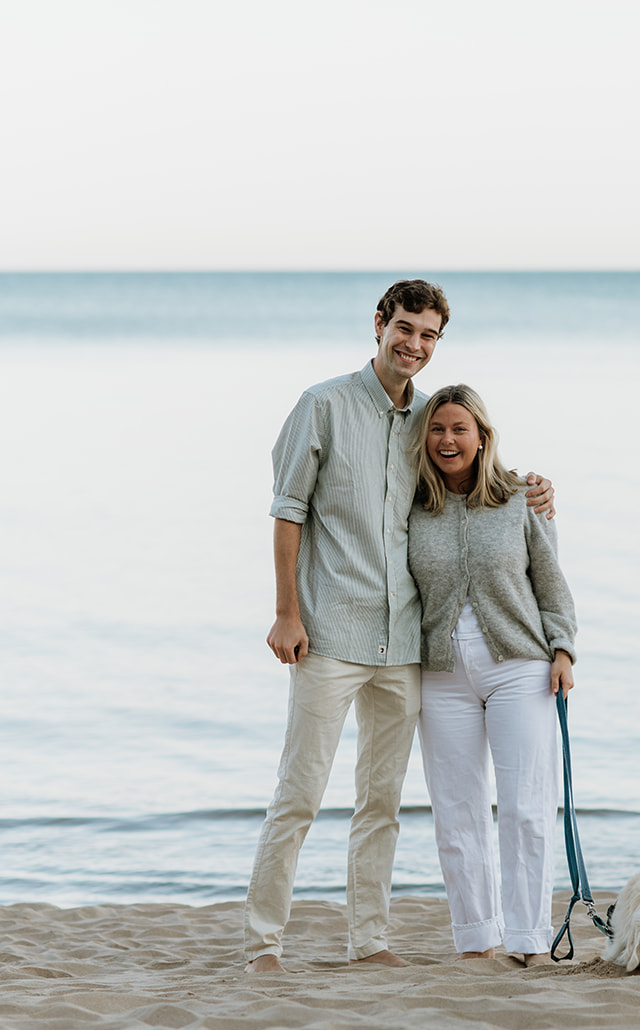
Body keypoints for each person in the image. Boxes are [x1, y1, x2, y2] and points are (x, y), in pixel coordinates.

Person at [243, 280, 554, 973]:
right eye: (404, 328)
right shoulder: (321, 406)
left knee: (380, 802)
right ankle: (263, 943)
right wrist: (285, 612)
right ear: (379, 324)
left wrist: (535, 491)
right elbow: (288, 511)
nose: (414, 344)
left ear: (438, 342)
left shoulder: (428, 422)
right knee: (299, 795)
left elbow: (474, 474)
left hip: (407, 643)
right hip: (328, 633)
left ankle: (369, 940)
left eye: (428, 334)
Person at [408, 383, 577, 967]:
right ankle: (477, 937)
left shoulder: (521, 498)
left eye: (459, 429)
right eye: (437, 429)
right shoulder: (409, 503)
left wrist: (563, 649)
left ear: (482, 437)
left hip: (520, 667)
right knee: (457, 811)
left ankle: (529, 940)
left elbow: (550, 580)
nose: (447, 440)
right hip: (440, 672)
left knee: (527, 805)